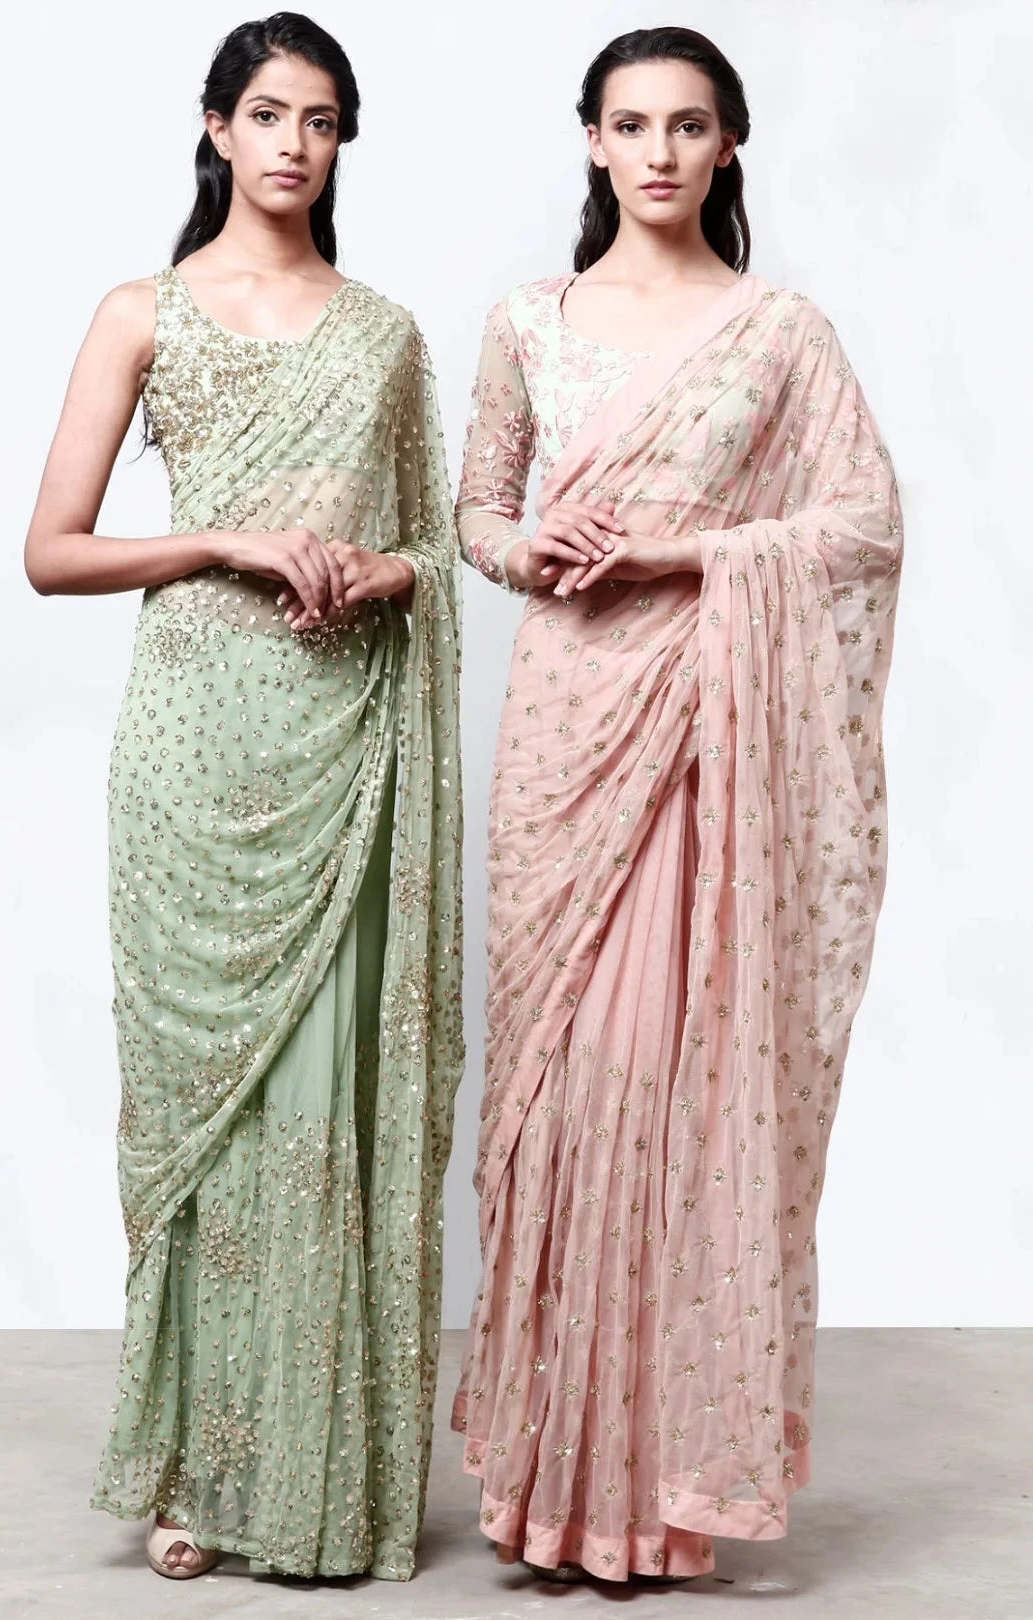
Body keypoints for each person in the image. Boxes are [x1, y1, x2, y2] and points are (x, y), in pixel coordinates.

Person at [451, 25, 901, 1584]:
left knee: (665, 1083)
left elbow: (862, 521)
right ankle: (546, 1487)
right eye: (631, 124)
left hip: (703, 729)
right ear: (591, 140)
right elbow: (477, 510)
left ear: (728, 146)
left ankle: (648, 1498)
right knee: (556, 1095)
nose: (658, 152)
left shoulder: (779, 333)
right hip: (563, 727)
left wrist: (680, 555)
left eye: (688, 125)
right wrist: (528, 552)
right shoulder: (530, 318)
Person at [24, 12, 463, 1583]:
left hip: (342, 747)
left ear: (343, 144)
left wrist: (380, 571)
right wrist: (222, 538)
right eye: (268, 113)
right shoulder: (139, 312)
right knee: (197, 1120)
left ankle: (317, 1485)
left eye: (321, 119)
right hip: (193, 749)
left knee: (322, 1112)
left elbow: (434, 545)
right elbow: (52, 550)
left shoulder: (387, 334)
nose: (294, 143)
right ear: (216, 127)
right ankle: (194, 1474)